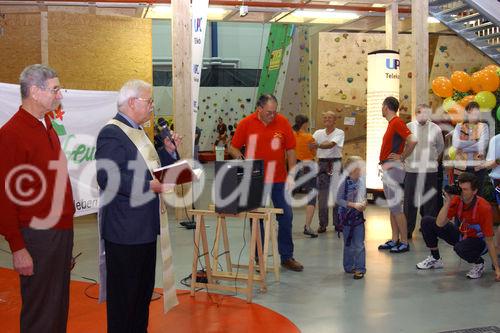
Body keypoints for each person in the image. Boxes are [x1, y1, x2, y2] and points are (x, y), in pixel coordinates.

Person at [96, 80, 179, 333]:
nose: (152, 107)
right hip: (124, 232)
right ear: (132, 102)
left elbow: (154, 171)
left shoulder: (139, 131)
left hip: (144, 228)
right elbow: (108, 177)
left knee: (142, 296)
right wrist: (148, 186)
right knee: (124, 300)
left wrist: (169, 152)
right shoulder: (112, 132)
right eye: (149, 101)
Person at [0, 64, 75, 333]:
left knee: (57, 306)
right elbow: (4, 197)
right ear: (34, 91)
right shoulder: (11, 134)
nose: (59, 95)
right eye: (55, 89)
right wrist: (18, 247)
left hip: (60, 232)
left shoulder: (47, 126)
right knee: (40, 312)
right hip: (37, 236)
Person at [228, 93, 303, 272]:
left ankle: (287, 256)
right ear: (259, 109)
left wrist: (292, 175)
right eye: (269, 112)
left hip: (279, 179)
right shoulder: (246, 123)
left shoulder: (283, 122)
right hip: (256, 179)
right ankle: (258, 258)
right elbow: (233, 146)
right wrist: (239, 157)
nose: (272, 115)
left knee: (286, 217)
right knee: (257, 219)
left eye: (275, 112)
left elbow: (291, 150)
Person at [416, 172, 500, 281]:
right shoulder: (457, 200)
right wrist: (448, 202)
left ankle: (479, 263)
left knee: (460, 248)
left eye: (465, 189)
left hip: (479, 241)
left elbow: (489, 241)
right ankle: (435, 258)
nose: (462, 192)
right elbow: (440, 224)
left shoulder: (484, 207)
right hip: (463, 235)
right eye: (460, 188)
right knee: (427, 221)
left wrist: (497, 269)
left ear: (474, 191)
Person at [377, 97, 417, 253]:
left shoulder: (397, 122)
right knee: (393, 206)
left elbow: (413, 140)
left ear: (386, 107)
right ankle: (395, 239)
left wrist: (402, 156)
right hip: (388, 167)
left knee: (396, 207)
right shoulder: (392, 124)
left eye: (382, 106)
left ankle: (404, 242)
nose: (382, 109)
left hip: (394, 168)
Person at [404, 104, 444, 239]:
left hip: (430, 171)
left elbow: (440, 148)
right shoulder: (408, 127)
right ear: (415, 113)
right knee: (410, 202)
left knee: (430, 202)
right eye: (420, 113)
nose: (423, 116)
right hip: (412, 170)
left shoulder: (436, 129)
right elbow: (403, 146)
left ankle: (429, 229)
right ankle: (408, 230)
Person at [312, 111, 345, 234]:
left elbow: (331, 145)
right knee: (323, 197)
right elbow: (310, 145)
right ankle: (322, 224)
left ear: (335, 120)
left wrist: (317, 145)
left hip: (336, 163)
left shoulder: (339, 132)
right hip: (322, 164)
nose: (327, 119)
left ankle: (338, 223)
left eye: (330, 117)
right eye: (325, 117)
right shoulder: (317, 133)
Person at [336, 156, 367, 279]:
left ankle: (360, 268)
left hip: (358, 218)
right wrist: (353, 205)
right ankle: (348, 266)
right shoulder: (343, 182)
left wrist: (363, 204)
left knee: (359, 243)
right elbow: (338, 200)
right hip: (346, 218)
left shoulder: (361, 181)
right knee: (348, 243)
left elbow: (363, 197)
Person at [451, 102, 489, 193]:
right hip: (461, 167)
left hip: (478, 167)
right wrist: (475, 142)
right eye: (470, 112)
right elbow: (456, 144)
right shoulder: (459, 126)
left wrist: (464, 148)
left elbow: (482, 144)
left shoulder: (483, 126)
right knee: (461, 194)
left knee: (477, 194)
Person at [292, 114, 318, 238]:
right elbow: (313, 152)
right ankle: (307, 226)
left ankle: (279, 223)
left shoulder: (292, 135)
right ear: (305, 124)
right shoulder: (309, 137)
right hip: (309, 167)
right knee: (312, 197)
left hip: (296, 166)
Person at [475, 133, 500, 257]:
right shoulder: (496, 140)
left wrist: (482, 165)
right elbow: (491, 162)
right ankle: (496, 251)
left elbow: (490, 163)